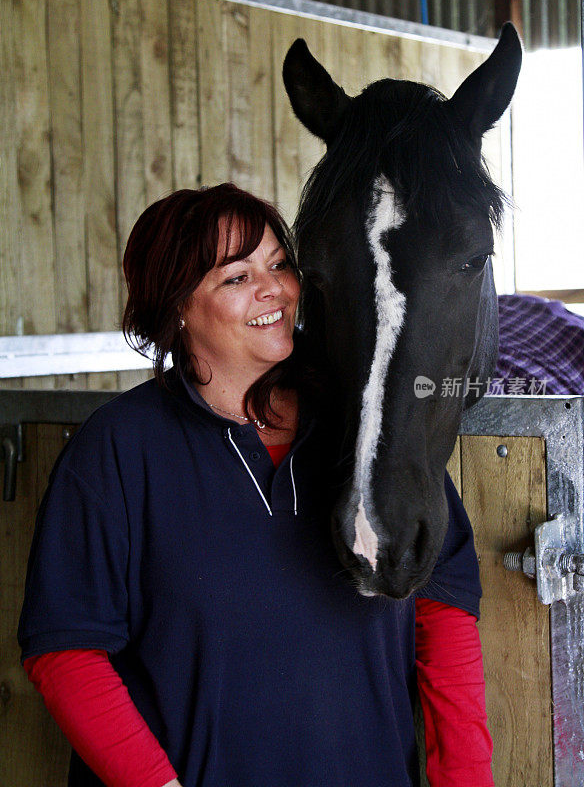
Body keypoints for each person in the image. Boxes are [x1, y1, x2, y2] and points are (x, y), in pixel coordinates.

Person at [18, 183, 494, 787]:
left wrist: (466, 779)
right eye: (236, 278)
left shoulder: (362, 427)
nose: (276, 290)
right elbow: (66, 653)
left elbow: (444, 609)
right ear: (178, 307)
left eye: (279, 264)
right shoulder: (115, 449)